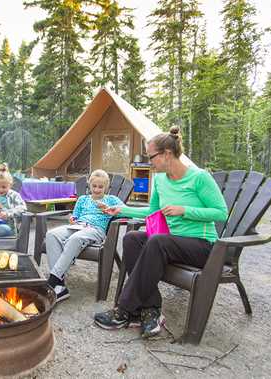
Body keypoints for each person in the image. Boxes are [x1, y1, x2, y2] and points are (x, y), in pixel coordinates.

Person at [93, 126, 228, 339]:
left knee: (156, 241)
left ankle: (125, 309)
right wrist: (121, 209)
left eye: (151, 156)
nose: (149, 162)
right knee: (132, 239)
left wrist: (185, 211)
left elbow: (221, 213)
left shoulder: (199, 178)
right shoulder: (161, 180)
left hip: (203, 246)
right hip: (171, 243)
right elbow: (152, 211)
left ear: (167, 154)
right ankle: (150, 310)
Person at [45, 169, 124, 302]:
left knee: (75, 239)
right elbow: (75, 215)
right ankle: (60, 286)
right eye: (94, 186)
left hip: (95, 229)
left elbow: (127, 212)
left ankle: (52, 281)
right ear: (89, 185)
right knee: (51, 234)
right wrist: (72, 219)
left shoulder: (111, 200)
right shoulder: (82, 199)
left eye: (101, 187)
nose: (97, 189)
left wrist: (113, 211)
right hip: (77, 226)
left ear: (106, 187)